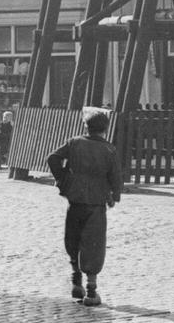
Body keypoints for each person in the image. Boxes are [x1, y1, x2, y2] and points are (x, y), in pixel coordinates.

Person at [47, 108, 121, 307]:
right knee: (94, 243)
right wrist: (114, 196)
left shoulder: (75, 143)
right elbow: (115, 177)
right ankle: (91, 290)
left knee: (73, 238)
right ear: (105, 129)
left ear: (86, 126)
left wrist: (63, 179)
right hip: (96, 201)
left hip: (75, 198)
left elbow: (52, 158)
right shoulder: (109, 149)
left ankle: (76, 281)